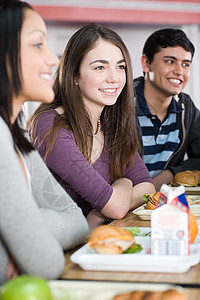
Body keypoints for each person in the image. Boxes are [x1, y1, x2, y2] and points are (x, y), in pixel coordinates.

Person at [27, 23, 155, 231]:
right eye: (100, 67)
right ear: (74, 75)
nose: (114, 78)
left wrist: (103, 209)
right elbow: (115, 208)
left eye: (120, 67)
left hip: (92, 243)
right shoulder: (50, 125)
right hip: (57, 251)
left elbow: (147, 187)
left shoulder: (110, 125)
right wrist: (123, 182)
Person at [0, 0, 89, 285]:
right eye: (38, 44)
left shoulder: (16, 135)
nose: (53, 59)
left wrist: (25, 233)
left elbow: (78, 221)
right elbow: (45, 264)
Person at [134, 28, 200, 191]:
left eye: (185, 64)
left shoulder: (186, 108)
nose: (179, 71)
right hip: (118, 208)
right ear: (146, 63)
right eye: (170, 61)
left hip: (162, 203)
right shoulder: (119, 106)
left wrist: (170, 174)